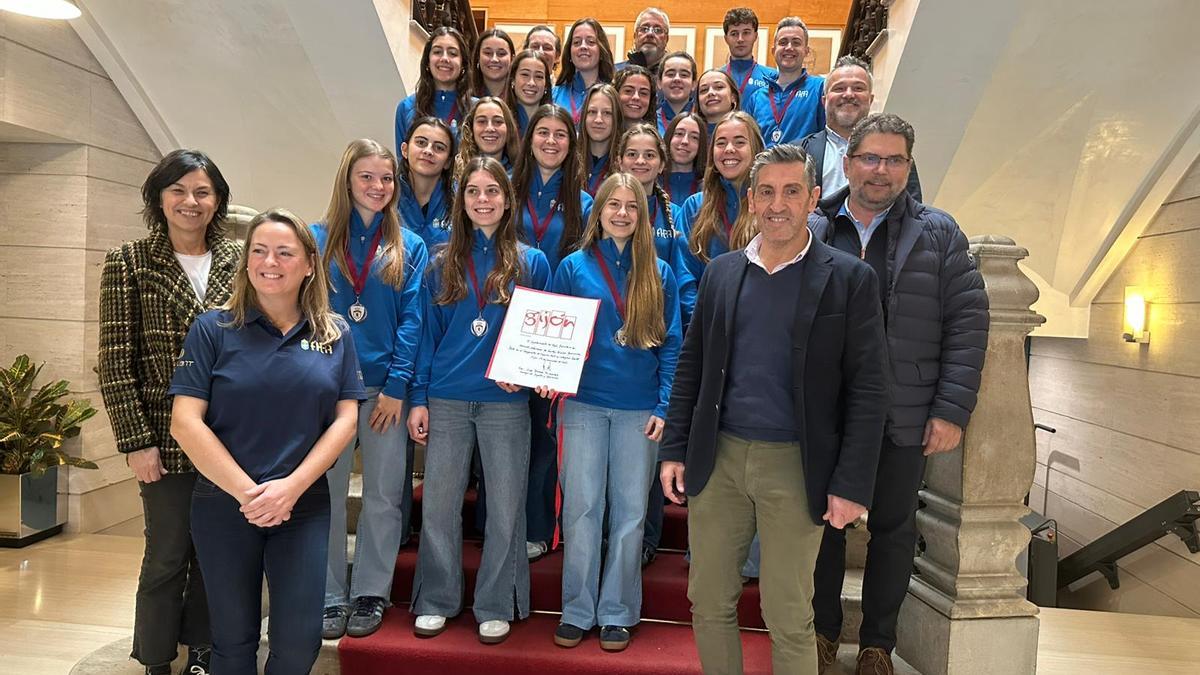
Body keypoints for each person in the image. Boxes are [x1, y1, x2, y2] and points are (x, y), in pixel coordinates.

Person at [659, 143, 889, 674]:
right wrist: (674, 447)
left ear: (812, 197)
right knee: (708, 601)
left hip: (796, 464)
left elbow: (869, 388)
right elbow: (691, 367)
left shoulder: (850, 280)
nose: (778, 204)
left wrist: (852, 483)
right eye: (766, 192)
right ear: (751, 200)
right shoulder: (720, 273)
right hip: (719, 459)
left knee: (787, 612)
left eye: (791, 191)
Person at [809, 113, 988, 675]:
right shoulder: (814, 228)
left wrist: (951, 409)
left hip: (902, 414)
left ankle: (877, 646)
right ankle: (821, 633)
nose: (880, 170)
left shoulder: (939, 233)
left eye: (893, 160)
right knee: (822, 530)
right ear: (847, 161)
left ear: (908, 166)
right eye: (869, 158)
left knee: (893, 531)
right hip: (826, 415)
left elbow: (968, 321)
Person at [169, 208, 365, 674]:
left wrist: (289, 488)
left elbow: (345, 421)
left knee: (298, 643)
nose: (269, 261)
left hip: (302, 506)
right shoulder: (212, 329)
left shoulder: (334, 334)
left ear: (309, 264)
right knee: (232, 642)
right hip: (224, 505)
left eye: (283, 252)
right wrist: (249, 494)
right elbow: (185, 422)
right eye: (258, 251)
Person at [98, 149, 236, 675]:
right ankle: (156, 657)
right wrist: (136, 442)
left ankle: (202, 649)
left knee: (211, 555)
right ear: (159, 197)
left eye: (202, 192)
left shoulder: (237, 259)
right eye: (178, 190)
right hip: (162, 434)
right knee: (166, 555)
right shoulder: (128, 261)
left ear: (217, 200)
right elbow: (114, 361)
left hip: (228, 436)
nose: (191, 202)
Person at [408, 157, 552, 644]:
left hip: (504, 404)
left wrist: (528, 375)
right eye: (474, 191)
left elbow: (543, 336)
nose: (483, 200)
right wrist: (419, 398)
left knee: (507, 507)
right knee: (441, 505)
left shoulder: (531, 262)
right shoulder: (438, 259)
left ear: (508, 200)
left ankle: (496, 601)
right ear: (462, 199)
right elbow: (426, 335)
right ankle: (437, 599)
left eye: (493, 190)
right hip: (447, 397)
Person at [550, 172, 681, 652]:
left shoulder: (659, 272)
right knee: (583, 508)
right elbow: (551, 332)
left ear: (643, 216)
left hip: (639, 409)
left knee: (629, 513)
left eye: (632, 206)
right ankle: (577, 609)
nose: (622, 213)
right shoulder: (572, 267)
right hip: (582, 404)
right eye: (614, 205)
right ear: (598, 211)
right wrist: (545, 370)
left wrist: (665, 406)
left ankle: (618, 611)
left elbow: (673, 347)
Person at [312, 139, 429, 640]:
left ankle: (371, 593)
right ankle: (330, 595)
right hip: (327, 392)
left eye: (386, 179)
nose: (378, 187)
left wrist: (398, 387)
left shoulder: (410, 246)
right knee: (328, 494)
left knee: (383, 497)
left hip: (384, 393)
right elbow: (305, 315)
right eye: (367, 177)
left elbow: (412, 322)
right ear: (347, 180)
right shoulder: (316, 239)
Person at [512, 104, 595, 561]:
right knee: (506, 430)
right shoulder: (508, 190)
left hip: (555, 333)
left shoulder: (583, 202)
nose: (550, 141)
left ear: (571, 143)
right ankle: (498, 523)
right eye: (541, 132)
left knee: (544, 434)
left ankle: (539, 525)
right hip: (506, 326)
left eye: (559, 135)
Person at [799, 56, 922, 201]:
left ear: (870, 99)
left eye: (858, 88)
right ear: (824, 100)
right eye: (839, 88)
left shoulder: (896, 154)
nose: (849, 95)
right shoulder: (799, 152)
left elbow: (912, 212)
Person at [616, 124, 696, 323]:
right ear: (620, 162)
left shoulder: (676, 216)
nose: (640, 161)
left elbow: (682, 276)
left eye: (650, 155)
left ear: (661, 165)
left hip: (658, 319)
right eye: (632, 154)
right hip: (611, 314)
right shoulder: (604, 212)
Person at [679, 110, 764, 283]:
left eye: (739, 142)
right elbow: (684, 274)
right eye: (721, 143)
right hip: (704, 308)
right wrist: (699, 310)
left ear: (756, 149)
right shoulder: (694, 207)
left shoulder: (769, 206)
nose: (729, 149)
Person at [744, 17, 825, 147]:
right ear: (773, 51)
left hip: (804, 166)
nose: (789, 47)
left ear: (806, 51)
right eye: (783, 42)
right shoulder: (757, 98)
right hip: (764, 167)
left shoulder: (820, 88)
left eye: (796, 43)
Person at [395, 27, 473, 148]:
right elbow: (402, 161)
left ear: (463, 64)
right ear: (427, 61)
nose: (445, 58)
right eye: (437, 52)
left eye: (452, 53)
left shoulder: (476, 109)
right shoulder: (406, 107)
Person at [398, 117, 456, 252]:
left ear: (448, 161)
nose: (428, 151)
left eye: (439, 148)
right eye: (421, 142)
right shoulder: (385, 197)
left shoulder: (462, 201)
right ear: (404, 150)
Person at [553, 18, 615, 126]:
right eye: (576, 42)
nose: (583, 46)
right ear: (569, 52)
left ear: (601, 50)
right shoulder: (554, 95)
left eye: (591, 42)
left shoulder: (614, 94)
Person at [456, 97, 520, 180]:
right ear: (471, 128)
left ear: (509, 129)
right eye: (482, 121)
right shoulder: (455, 174)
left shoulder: (521, 177)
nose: (490, 128)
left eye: (498, 122)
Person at [721, 8, 776, 103]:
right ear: (726, 39)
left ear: (755, 36)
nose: (740, 39)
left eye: (746, 33)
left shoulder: (772, 77)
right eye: (734, 34)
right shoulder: (717, 77)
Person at [579, 84, 622, 197]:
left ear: (617, 118)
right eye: (592, 112)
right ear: (584, 116)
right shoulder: (568, 159)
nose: (598, 120)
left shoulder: (624, 164)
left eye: (607, 113)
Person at [506, 49, 554, 138]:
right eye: (525, 74)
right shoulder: (500, 120)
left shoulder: (557, 122)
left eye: (539, 76)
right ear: (513, 80)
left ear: (546, 84)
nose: (531, 83)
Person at [662, 113, 707, 207]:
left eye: (694, 137)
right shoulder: (653, 183)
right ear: (669, 137)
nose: (685, 141)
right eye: (679, 134)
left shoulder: (708, 188)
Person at [616, 7, 671, 78]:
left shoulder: (674, 77)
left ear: (666, 39)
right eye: (644, 29)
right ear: (635, 36)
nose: (650, 34)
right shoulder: (615, 73)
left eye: (657, 30)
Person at [656, 51, 696, 136]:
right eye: (670, 74)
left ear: (693, 84)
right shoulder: (650, 121)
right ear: (659, 82)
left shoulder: (704, 120)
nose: (677, 79)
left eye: (684, 75)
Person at [695, 69, 741, 136]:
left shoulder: (748, 132)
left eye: (719, 87)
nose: (710, 93)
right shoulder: (690, 134)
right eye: (704, 90)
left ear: (733, 97)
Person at [471, 29, 515, 99]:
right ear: (478, 57)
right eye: (488, 53)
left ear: (512, 59)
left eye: (501, 54)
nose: (494, 59)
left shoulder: (522, 98)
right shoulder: (464, 99)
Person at [614, 65, 657, 131]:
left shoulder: (656, 139)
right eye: (628, 91)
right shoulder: (601, 135)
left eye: (643, 93)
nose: (636, 97)